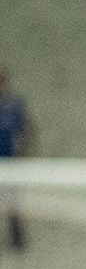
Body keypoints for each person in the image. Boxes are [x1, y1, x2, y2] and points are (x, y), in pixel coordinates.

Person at [0, 67, 33, 251]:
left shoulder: (13, 107)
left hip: (11, 161)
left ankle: (17, 239)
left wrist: (25, 150)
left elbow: (25, 129)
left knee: (13, 200)